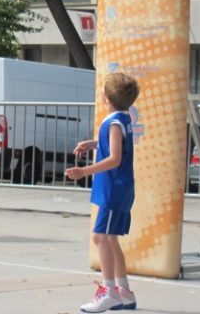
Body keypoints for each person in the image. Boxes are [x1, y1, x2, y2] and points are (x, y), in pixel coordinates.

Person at [65, 72, 139, 313]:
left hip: (113, 188)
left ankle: (109, 293)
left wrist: (83, 171)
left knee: (100, 237)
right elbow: (116, 146)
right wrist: (93, 144)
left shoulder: (115, 122)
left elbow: (115, 158)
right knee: (110, 239)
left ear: (106, 97)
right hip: (118, 188)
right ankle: (124, 291)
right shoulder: (122, 119)